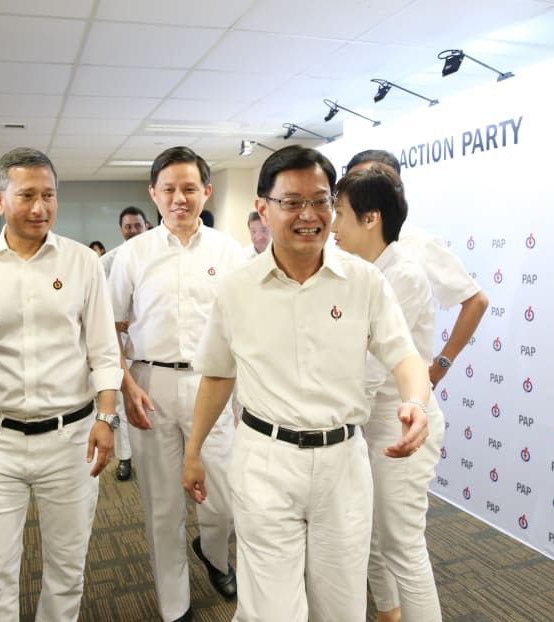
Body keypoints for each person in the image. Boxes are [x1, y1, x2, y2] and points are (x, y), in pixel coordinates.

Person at [182, 145, 430, 622]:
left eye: (320, 201)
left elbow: (404, 355)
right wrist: (194, 451)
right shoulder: (237, 288)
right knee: (272, 610)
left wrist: (415, 402)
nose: (309, 215)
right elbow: (217, 374)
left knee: (341, 608)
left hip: (343, 463)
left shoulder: (363, 281)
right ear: (263, 208)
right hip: (265, 461)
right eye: (292, 202)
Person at [0, 147, 123, 622]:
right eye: (26, 196)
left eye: (49, 195)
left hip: (71, 439)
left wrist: (106, 418)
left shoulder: (82, 263)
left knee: (67, 569)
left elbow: (104, 353)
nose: (40, 208)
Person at [109, 146, 245, 622]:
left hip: (213, 386)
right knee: (163, 507)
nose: (179, 198)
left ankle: (214, 554)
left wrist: (241, 399)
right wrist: (125, 386)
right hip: (151, 386)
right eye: (169, 189)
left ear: (206, 191)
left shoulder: (229, 252)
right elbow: (109, 329)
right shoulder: (132, 255)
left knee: (223, 499)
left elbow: (244, 329)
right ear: (154, 194)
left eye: (189, 188)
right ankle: (175, 605)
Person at [332, 165, 444, 622]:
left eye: (340, 214)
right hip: (366, 422)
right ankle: (388, 613)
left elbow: (372, 367)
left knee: (402, 545)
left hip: (402, 426)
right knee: (372, 540)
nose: (332, 226)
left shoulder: (404, 276)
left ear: (371, 218)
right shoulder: (359, 271)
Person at [345, 150, 488, 388]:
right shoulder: (346, 244)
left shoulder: (419, 244)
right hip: (359, 390)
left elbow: (476, 301)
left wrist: (441, 365)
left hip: (399, 392)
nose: (357, 190)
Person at [100, 205, 149, 481]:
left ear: (146, 226)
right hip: (119, 344)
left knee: (152, 403)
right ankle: (125, 458)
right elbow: (100, 308)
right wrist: (118, 324)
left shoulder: (156, 256)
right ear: (121, 229)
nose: (133, 231)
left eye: (137, 226)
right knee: (120, 404)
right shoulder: (108, 261)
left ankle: (150, 457)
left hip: (149, 345)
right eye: (128, 226)